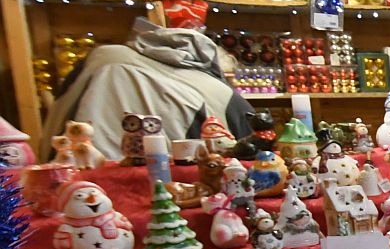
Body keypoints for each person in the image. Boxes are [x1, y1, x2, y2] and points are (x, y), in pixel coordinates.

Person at [44, 17, 252, 163]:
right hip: (174, 178)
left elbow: (59, 111)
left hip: (72, 168)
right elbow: (249, 149)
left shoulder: (102, 57)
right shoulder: (219, 92)